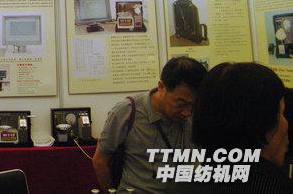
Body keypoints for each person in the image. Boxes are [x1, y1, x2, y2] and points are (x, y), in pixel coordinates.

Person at [168, 62, 291, 193]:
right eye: (281, 113)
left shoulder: (182, 186)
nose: (286, 124)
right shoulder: (277, 187)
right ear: (261, 123)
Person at [92, 56, 207, 193]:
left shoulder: (198, 112)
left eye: (193, 104)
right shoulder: (127, 111)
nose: (187, 112)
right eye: (181, 103)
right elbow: (100, 161)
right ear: (161, 87)